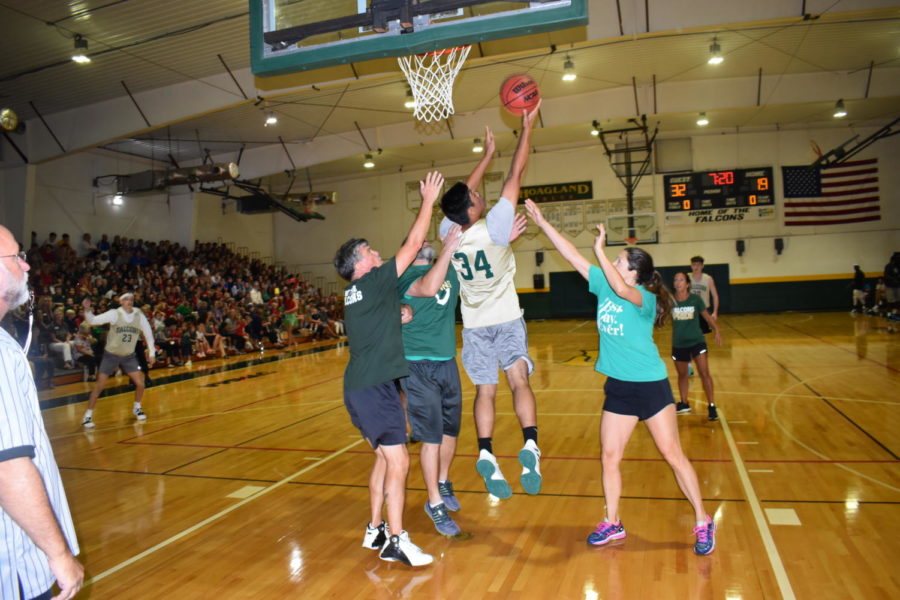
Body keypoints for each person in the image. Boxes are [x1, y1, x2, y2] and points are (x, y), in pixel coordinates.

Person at [524, 200, 716, 555]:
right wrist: (543, 223)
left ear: (634, 274)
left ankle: (703, 520)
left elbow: (621, 288)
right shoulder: (604, 285)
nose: (612, 265)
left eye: (619, 262)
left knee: (672, 454)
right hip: (619, 388)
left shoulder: (642, 297)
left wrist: (599, 249)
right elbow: (571, 257)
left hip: (651, 387)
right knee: (609, 455)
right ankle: (613, 522)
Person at [333, 171, 456, 567]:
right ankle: (397, 541)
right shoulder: (370, 283)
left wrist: (398, 313)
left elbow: (385, 315)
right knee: (400, 461)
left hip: (363, 386)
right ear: (360, 264)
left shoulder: (358, 293)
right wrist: (428, 201)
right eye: (369, 251)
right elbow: (415, 243)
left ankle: (374, 529)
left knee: (385, 460)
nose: (376, 253)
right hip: (373, 388)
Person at [438, 102, 543, 499]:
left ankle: (486, 451)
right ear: (472, 208)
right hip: (506, 317)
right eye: (475, 196)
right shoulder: (497, 226)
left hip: (475, 323)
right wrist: (527, 126)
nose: (479, 194)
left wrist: (485, 157)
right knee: (519, 380)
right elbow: (518, 172)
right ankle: (530, 443)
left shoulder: (448, 231)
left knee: (485, 392)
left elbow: (458, 199)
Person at [0, 225, 84, 600]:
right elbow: (7, 464)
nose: (27, 266)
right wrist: (58, 553)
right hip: (10, 563)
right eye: (16, 257)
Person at [80, 291, 156, 428]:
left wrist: (152, 353)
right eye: (126, 299)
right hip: (111, 355)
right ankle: (87, 415)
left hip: (129, 356)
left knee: (140, 383)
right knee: (99, 386)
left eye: (131, 299)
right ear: (121, 302)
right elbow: (92, 321)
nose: (129, 301)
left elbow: (148, 332)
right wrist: (87, 310)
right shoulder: (115, 313)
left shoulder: (138, 314)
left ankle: (137, 407)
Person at [671, 272, 722, 420]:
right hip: (679, 343)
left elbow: (706, 316)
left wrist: (717, 330)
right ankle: (684, 403)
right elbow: (660, 316)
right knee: (682, 375)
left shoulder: (695, 299)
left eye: (681, 280)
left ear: (687, 284)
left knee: (704, 373)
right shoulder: (671, 300)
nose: (678, 282)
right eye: (675, 279)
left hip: (696, 342)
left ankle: (711, 406)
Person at [688, 256, 719, 335]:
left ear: (702, 266)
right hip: (690, 310)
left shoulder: (708, 279)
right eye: (694, 264)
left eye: (699, 265)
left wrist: (715, 312)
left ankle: (702, 347)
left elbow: (715, 296)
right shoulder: (687, 278)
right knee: (690, 334)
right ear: (691, 266)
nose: (696, 267)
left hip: (703, 311)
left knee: (703, 336)